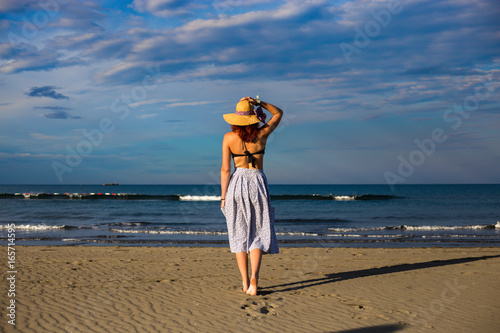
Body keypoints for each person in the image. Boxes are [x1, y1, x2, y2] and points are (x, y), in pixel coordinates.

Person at [220, 96, 283, 296]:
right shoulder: (263, 134)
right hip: (258, 183)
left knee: (239, 233)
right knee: (258, 231)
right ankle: (255, 278)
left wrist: (223, 198)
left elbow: (225, 170)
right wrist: (260, 103)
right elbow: (279, 113)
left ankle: (245, 283)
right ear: (253, 117)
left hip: (237, 184)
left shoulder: (228, 138)